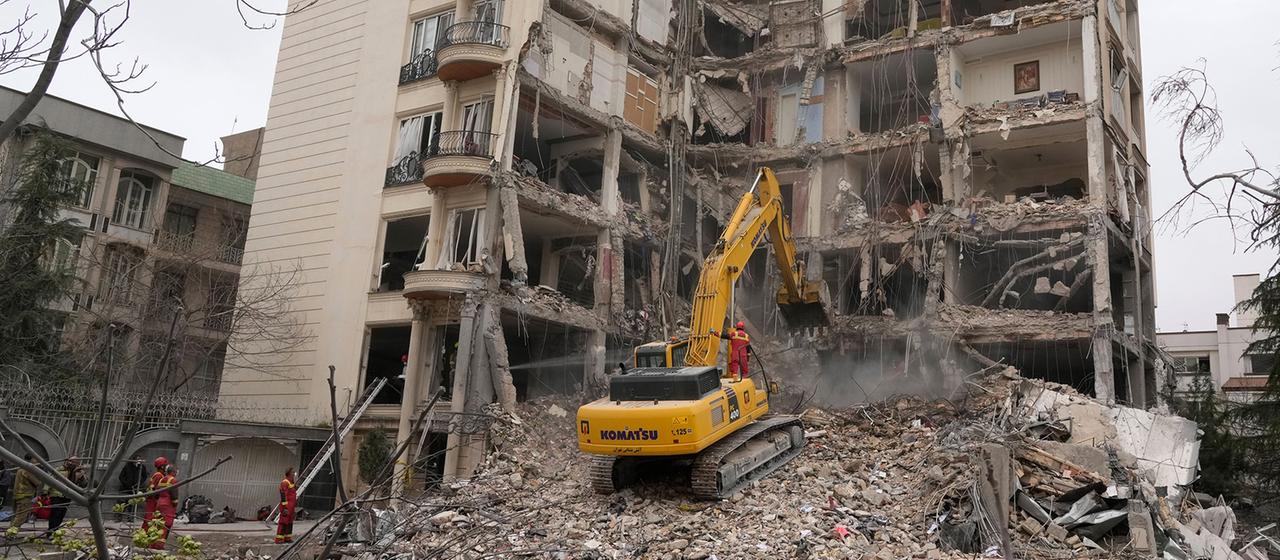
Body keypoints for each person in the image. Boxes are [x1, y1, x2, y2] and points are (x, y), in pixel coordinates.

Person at [45, 456, 86, 535]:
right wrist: (45, 490)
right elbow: (49, 479)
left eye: (75, 462)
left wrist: (82, 476)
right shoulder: (59, 470)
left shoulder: (77, 472)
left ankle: (54, 531)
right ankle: (51, 531)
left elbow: (83, 484)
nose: (72, 463)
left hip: (67, 496)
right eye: (71, 461)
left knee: (61, 515)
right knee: (55, 514)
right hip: (56, 495)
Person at [8, 454, 39, 532]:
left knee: (16, 516)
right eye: (35, 459)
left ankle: (10, 532)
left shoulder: (20, 469)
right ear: (31, 459)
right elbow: (37, 482)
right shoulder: (27, 470)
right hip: (24, 496)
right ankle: (11, 534)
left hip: (17, 495)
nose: (37, 461)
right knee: (21, 517)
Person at [150, 464, 178, 550]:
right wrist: (175, 503)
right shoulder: (173, 480)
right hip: (168, 505)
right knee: (166, 525)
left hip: (159, 504)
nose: (176, 473)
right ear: (173, 472)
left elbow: (156, 492)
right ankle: (159, 545)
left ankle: (153, 543)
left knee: (158, 524)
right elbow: (174, 494)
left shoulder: (162, 479)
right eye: (175, 472)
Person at [142, 457, 168, 546]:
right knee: (149, 520)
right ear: (162, 467)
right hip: (153, 501)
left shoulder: (157, 474)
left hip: (152, 500)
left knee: (149, 520)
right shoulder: (159, 475)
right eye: (165, 465)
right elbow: (155, 489)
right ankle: (145, 539)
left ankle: (145, 538)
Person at [117, 455, 145, 521]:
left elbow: (144, 476)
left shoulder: (141, 467)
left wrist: (139, 483)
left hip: (134, 488)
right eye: (137, 459)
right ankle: (119, 517)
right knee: (122, 503)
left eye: (139, 460)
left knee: (132, 504)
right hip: (125, 488)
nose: (138, 461)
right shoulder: (127, 466)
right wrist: (126, 483)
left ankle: (130, 517)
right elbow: (121, 477)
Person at [274, 468, 297, 544]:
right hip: (286, 507)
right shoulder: (285, 482)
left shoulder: (291, 482)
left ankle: (287, 538)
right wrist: (284, 508)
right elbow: (283, 495)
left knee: (289, 523)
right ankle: (279, 539)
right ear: (289, 473)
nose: (294, 474)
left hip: (291, 507)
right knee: (283, 523)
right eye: (293, 472)